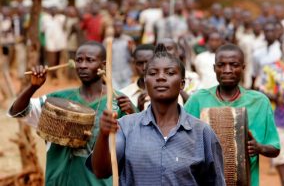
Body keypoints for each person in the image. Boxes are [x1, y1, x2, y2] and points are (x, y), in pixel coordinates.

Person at [87, 44, 226, 185]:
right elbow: (101, 171)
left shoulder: (202, 132)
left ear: (182, 84)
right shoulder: (125, 127)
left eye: (170, 73)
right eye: (153, 73)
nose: (160, 78)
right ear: (145, 83)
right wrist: (104, 135)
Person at [8, 41, 136, 186]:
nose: (82, 65)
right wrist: (33, 87)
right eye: (79, 60)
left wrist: (132, 111)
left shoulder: (118, 103)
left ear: (103, 65)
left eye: (90, 60)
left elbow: (138, 142)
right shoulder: (58, 99)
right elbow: (17, 112)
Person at [184, 44, 280, 186]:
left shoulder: (259, 102)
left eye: (234, 65)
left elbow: (275, 148)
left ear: (243, 68)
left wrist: (259, 148)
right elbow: (180, 140)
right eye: (221, 65)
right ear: (214, 68)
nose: (227, 70)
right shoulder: (198, 100)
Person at [260, 36, 284, 186]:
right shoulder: (271, 68)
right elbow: (262, 89)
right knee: (282, 157)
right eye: (282, 42)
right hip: (279, 119)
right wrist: (274, 97)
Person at [120, 44, 155, 111]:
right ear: (134, 64)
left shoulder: (170, 93)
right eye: (140, 63)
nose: (144, 68)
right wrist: (138, 110)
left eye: (149, 63)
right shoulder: (123, 95)